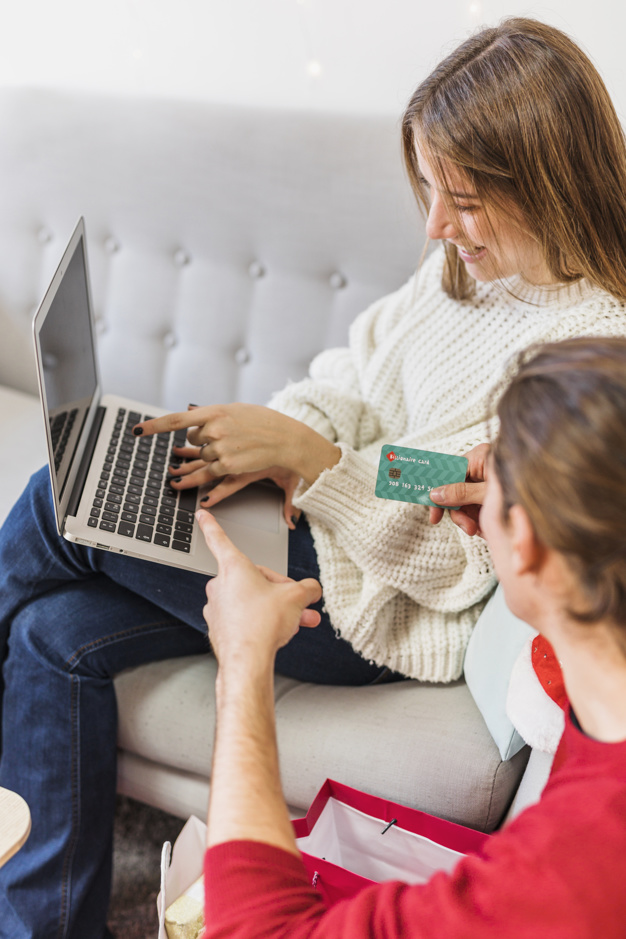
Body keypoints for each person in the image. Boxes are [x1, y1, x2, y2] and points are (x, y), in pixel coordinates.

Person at [1, 14, 626, 938]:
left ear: (545, 180)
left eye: (464, 197)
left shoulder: (584, 353)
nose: (437, 224)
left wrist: (316, 464)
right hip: (313, 525)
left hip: (376, 605)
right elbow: (355, 379)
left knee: (66, 496)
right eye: (430, 188)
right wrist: (282, 433)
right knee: (55, 633)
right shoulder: (463, 271)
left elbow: (451, 523)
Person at [200, 335, 626, 937]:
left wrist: (242, 659)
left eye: (499, 473)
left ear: (526, 543)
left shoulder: (573, 864)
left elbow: (255, 932)